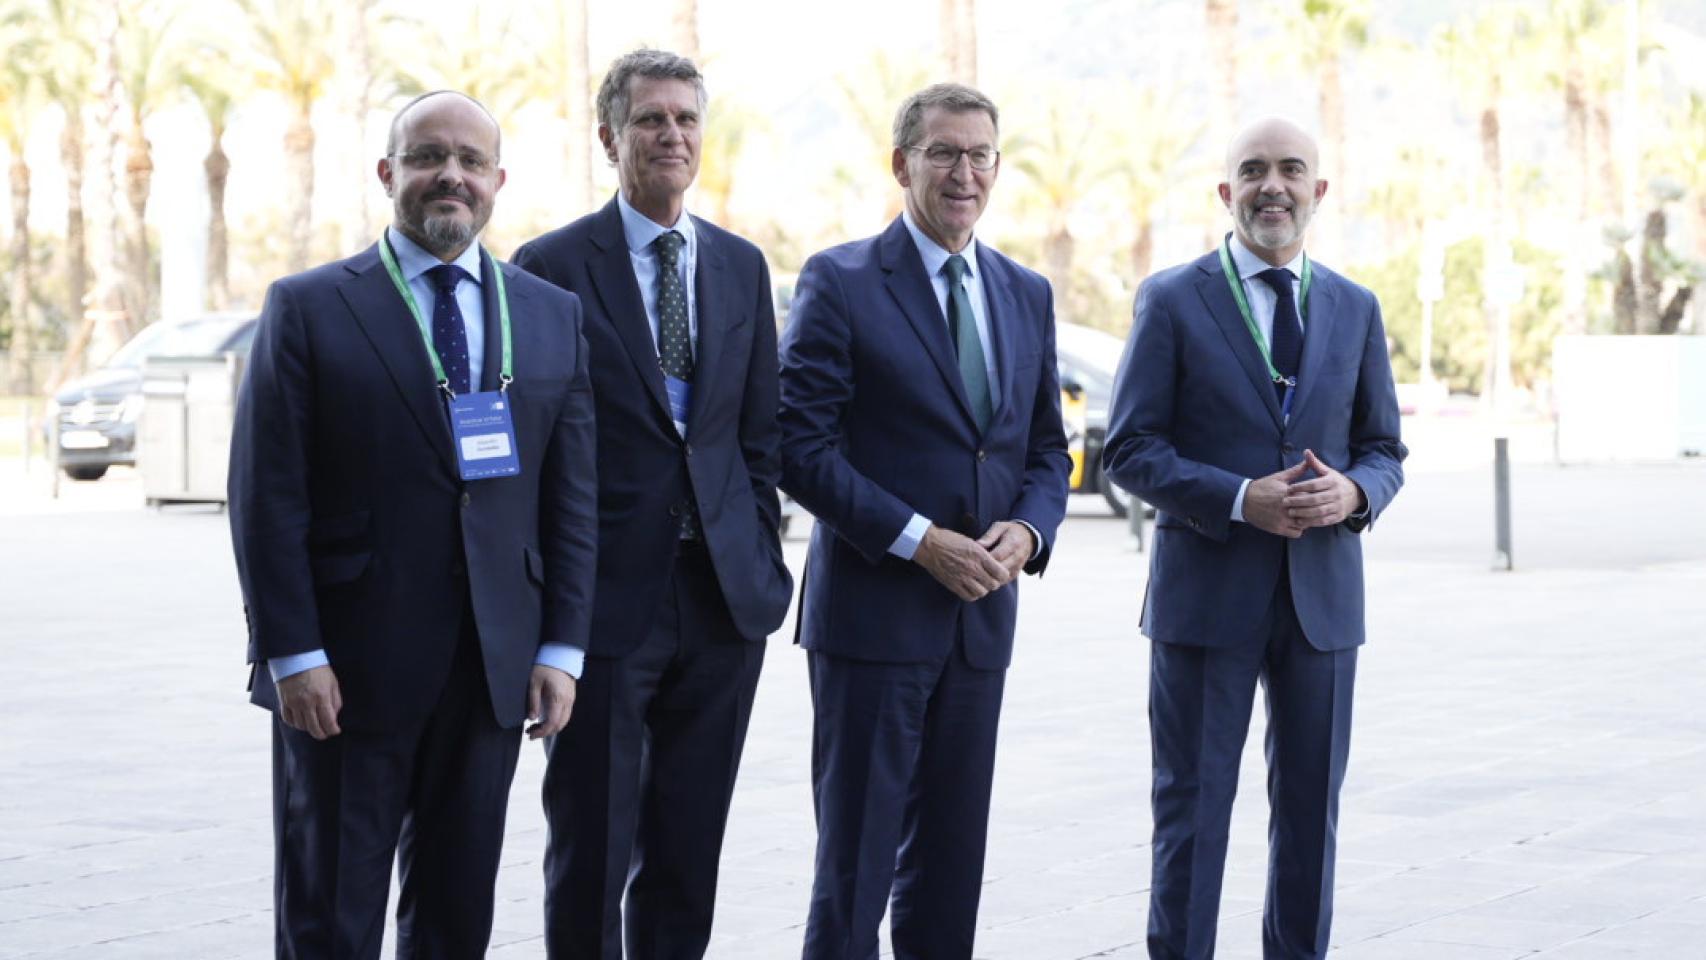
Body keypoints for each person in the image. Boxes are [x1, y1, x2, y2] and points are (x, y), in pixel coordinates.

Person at [227, 90, 597, 959]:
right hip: (346, 675)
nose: (451, 176)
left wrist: (561, 650)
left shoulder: (548, 313)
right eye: (429, 156)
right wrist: (294, 653)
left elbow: (571, 499)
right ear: (389, 172)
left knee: (456, 914)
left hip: (491, 672)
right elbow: (265, 497)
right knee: (330, 915)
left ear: (497, 181)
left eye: (471, 161)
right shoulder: (309, 307)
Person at [1101, 117, 1407, 960]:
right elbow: (1128, 447)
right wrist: (1239, 499)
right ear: (1226, 192)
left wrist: (1353, 492)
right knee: (1192, 815)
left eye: (1292, 169)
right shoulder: (1172, 298)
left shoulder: (1354, 305)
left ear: (1319, 191)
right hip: (1206, 599)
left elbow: (1384, 449)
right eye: (1254, 170)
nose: (1274, 185)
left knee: (1312, 815)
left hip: (1323, 606)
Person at [511, 49, 793, 960]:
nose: (670, 135)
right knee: (590, 845)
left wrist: (759, 554)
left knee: (688, 846)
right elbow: (533, 448)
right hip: (600, 605)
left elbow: (757, 437)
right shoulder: (549, 266)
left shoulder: (742, 267)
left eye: (684, 120)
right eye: (649, 120)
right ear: (609, 138)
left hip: (720, 599)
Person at [778, 82, 1072, 960]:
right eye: (943, 152)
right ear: (901, 163)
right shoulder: (841, 280)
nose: (963, 171)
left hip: (981, 625)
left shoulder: (1026, 292)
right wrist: (919, 540)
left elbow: (1047, 452)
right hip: (873, 621)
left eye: (980, 154)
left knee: (952, 867)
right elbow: (801, 446)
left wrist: (1029, 530)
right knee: (856, 869)